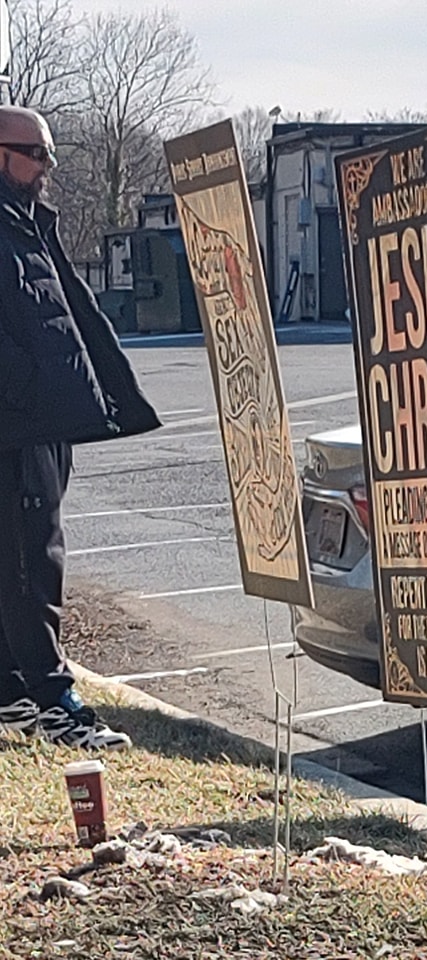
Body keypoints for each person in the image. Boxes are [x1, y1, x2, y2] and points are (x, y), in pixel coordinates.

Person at [0, 106, 161, 749]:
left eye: (49, 153)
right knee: (31, 564)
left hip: (44, 421)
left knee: (21, 558)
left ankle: (11, 692)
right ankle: (55, 704)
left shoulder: (27, 223)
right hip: (18, 425)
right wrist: (26, 390)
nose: (47, 166)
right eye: (36, 153)